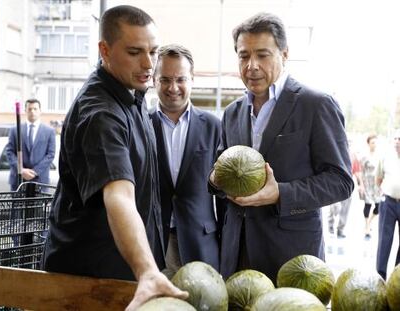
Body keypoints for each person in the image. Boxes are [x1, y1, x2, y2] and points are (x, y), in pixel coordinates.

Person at [41, 5, 187, 310]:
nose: (149, 63)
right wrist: (147, 270)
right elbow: (119, 196)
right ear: (104, 50)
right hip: (88, 281)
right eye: (135, 52)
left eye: (153, 51)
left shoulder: (132, 94)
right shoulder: (101, 115)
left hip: (124, 276)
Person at [209, 12, 353, 283]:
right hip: (235, 253)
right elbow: (219, 167)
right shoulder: (232, 113)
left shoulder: (316, 104)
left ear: (284, 54)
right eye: (243, 56)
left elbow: (341, 182)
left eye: (262, 55)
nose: (251, 65)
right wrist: (214, 180)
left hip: (290, 257)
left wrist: (280, 194)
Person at [150, 44, 222, 275]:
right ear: (154, 80)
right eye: (165, 79)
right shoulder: (140, 124)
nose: (173, 88)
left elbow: (223, 192)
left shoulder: (213, 126)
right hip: (153, 241)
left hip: (201, 241)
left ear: (192, 79)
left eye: (181, 79)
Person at [6, 98, 56, 191]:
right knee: (18, 206)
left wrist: (35, 171)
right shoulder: (15, 130)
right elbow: (9, 152)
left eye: (35, 109)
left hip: (40, 180)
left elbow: (50, 154)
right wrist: (21, 170)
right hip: (18, 180)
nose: (32, 111)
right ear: (25, 111)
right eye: (29, 109)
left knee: (38, 206)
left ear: (40, 111)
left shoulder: (49, 131)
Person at [375, 129, 400, 280]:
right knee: (385, 239)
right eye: (396, 138)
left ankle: (397, 275)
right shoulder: (386, 157)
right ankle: (380, 276)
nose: (397, 141)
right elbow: (378, 178)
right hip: (388, 202)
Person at [328, 144, 362, 238]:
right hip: (334, 185)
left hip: (347, 186)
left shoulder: (353, 155)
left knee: (345, 210)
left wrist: (361, 185)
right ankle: (330, 226)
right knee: (335, 207)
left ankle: (340, 229)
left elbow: (357, 171)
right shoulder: (334, 152)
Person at [360, 134, 381, 239]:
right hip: (367, 184)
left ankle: (369, 222)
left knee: (378, 206)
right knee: (367, 205)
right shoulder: (364, 156)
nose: (375, 144)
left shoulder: (380, 156)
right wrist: (362, 186)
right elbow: (361, 171)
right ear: (368, 144)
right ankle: (367, 228)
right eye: (373, 142)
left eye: (376, 142)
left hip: (377, 185)